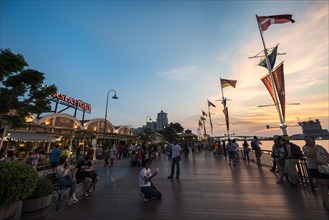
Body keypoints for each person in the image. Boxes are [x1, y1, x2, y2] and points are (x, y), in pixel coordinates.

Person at [302, 135, 329, 209]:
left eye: (309, 138)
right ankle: (326, 201)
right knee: (322, 183)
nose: (308, 140)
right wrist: (315, 149)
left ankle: (325, 199)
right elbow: (310, 155)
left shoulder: (320, 146)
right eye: (306, 139)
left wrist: (324, 161)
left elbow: (327, 155)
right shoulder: (305, 148)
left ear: (313, 139)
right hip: (313, 168)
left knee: (327, 182)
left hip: (323, 167)